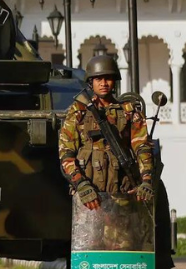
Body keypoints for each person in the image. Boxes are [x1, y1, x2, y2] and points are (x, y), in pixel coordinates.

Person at [58, 53, 156, 211]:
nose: (103, 83)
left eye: (108, 79)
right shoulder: (79, 111)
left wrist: (146, 180)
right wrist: (80, 183)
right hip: (90, 196)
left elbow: (142, 147)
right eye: (98, 79)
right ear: (91, 82)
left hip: (123, 192)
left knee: (126, 234)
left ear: (114, 81)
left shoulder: (128, 111)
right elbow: (66, 152)